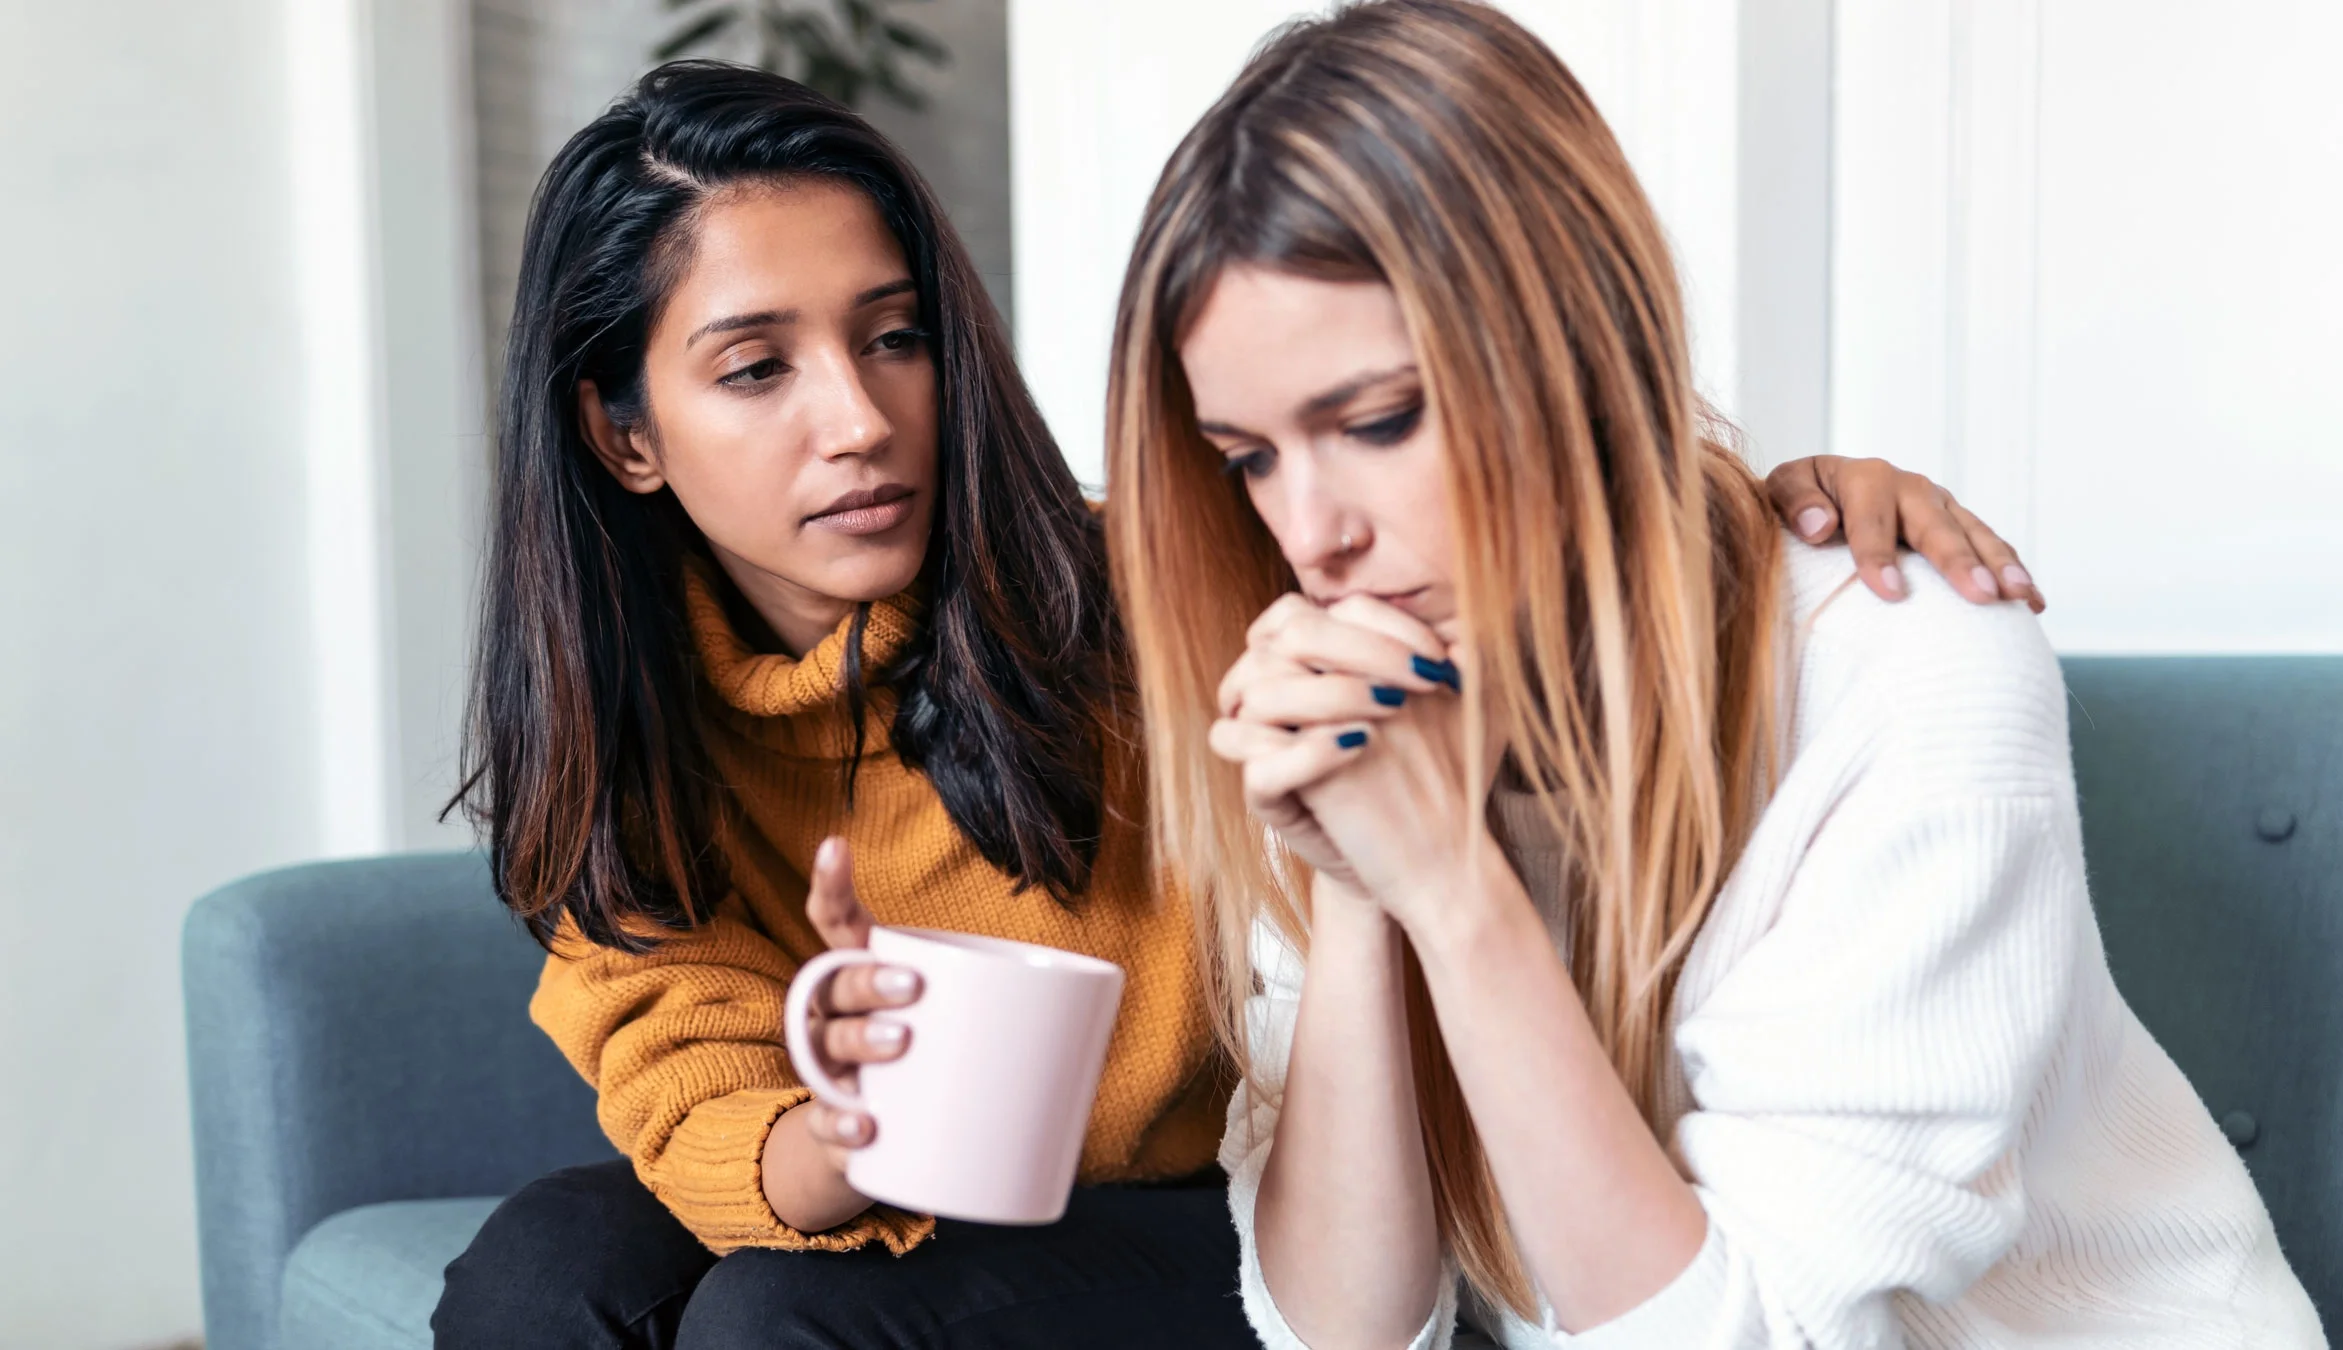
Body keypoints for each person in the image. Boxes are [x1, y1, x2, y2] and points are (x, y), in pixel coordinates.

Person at [433, 56, 2038, 1350]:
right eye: (755, 366)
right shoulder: (625, 742)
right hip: (973, 1191)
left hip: (1213, 1196)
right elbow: (693, 1090)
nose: (858, 418)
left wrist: (1769, 507)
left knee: (789, 1313)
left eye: (896, 333)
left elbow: (1542, 530)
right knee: (543, 1271)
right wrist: (850, 1125)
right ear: (624, 432)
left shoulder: (1177, 596)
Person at [1105, 3, 2326, 1348]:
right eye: (1250, 456)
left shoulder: (1911, 667)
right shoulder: (1370, 689)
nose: (1311, 532)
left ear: (1581, 344)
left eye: (1382, 417)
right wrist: (1362, 887)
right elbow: (1341, 1330)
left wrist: (1456, 888)